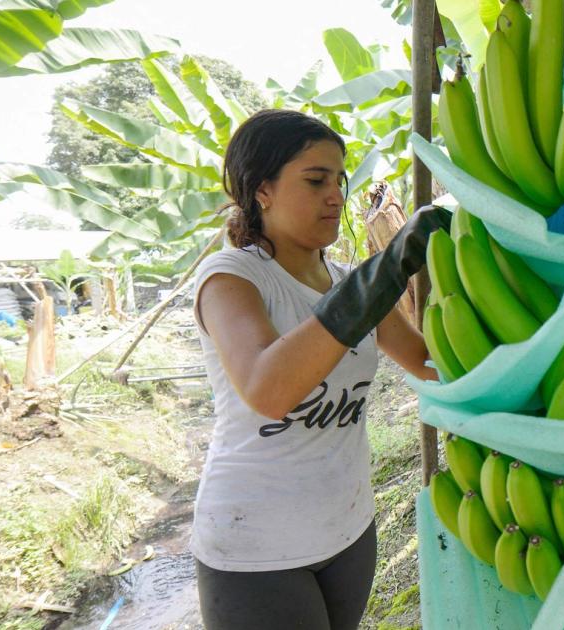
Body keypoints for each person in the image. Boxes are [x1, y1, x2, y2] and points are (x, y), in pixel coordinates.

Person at [191, 109, 449, 629]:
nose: (335, 196)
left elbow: (428, 365)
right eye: (315, 180)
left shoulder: (348, 279)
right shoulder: (231, 278)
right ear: (262, 189)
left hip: (348, 529)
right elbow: (269, 389)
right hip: (255, 545)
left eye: (339, 180)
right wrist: (386, 271)